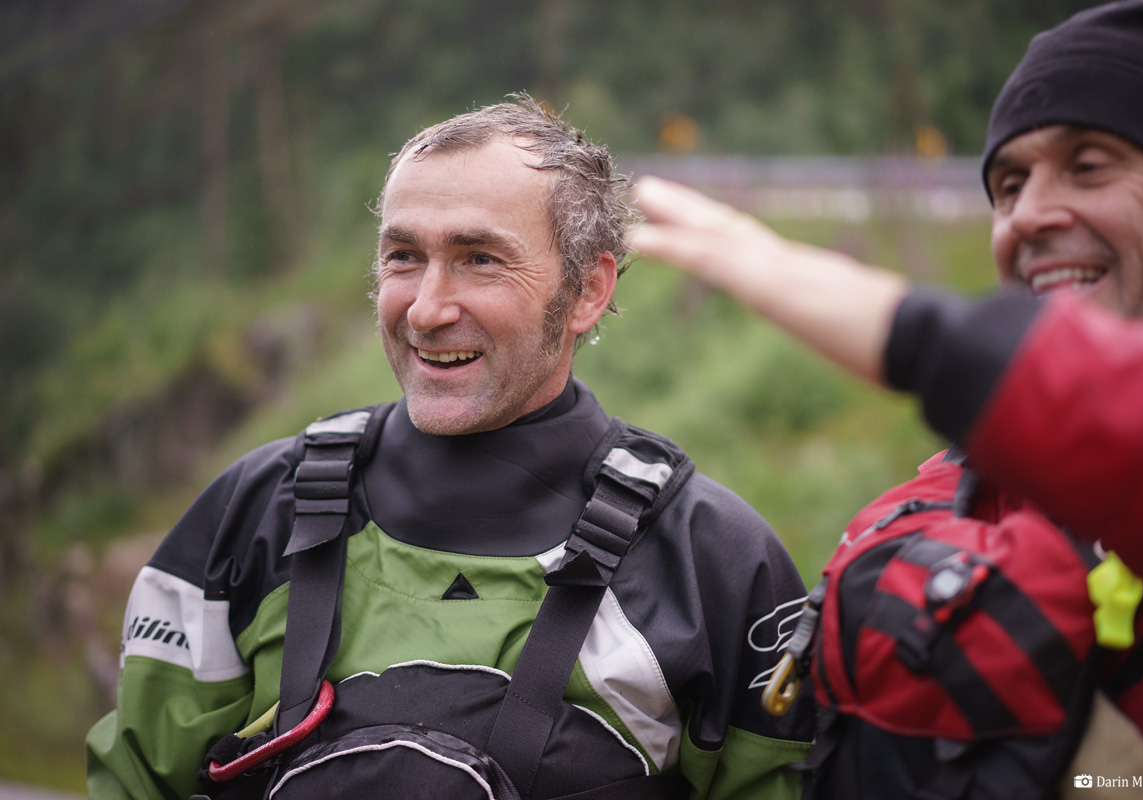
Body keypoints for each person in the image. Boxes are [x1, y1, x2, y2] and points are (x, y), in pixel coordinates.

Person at [85, 96, 813, 799]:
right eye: (404, 256)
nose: (428, 310)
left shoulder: (711, 561)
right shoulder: (254, 514)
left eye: (480, 260)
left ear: (587, 290)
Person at [631, 0, 1143, 776]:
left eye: (1090, 165)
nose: (1027, 214)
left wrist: (908, 331)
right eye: (1006, 184)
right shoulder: (929, 507)